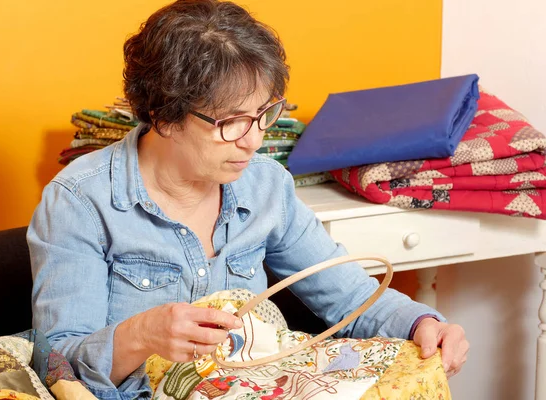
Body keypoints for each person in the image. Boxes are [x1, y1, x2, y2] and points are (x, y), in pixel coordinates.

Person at [27, 0, 469, 398]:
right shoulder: (80, 201)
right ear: (163, 115)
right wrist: (140, 335)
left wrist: (423, 324)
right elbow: (57, 364)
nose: (254, 139)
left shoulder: (265, 186)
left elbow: (350, 297)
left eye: (264, 114)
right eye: (231, 122)